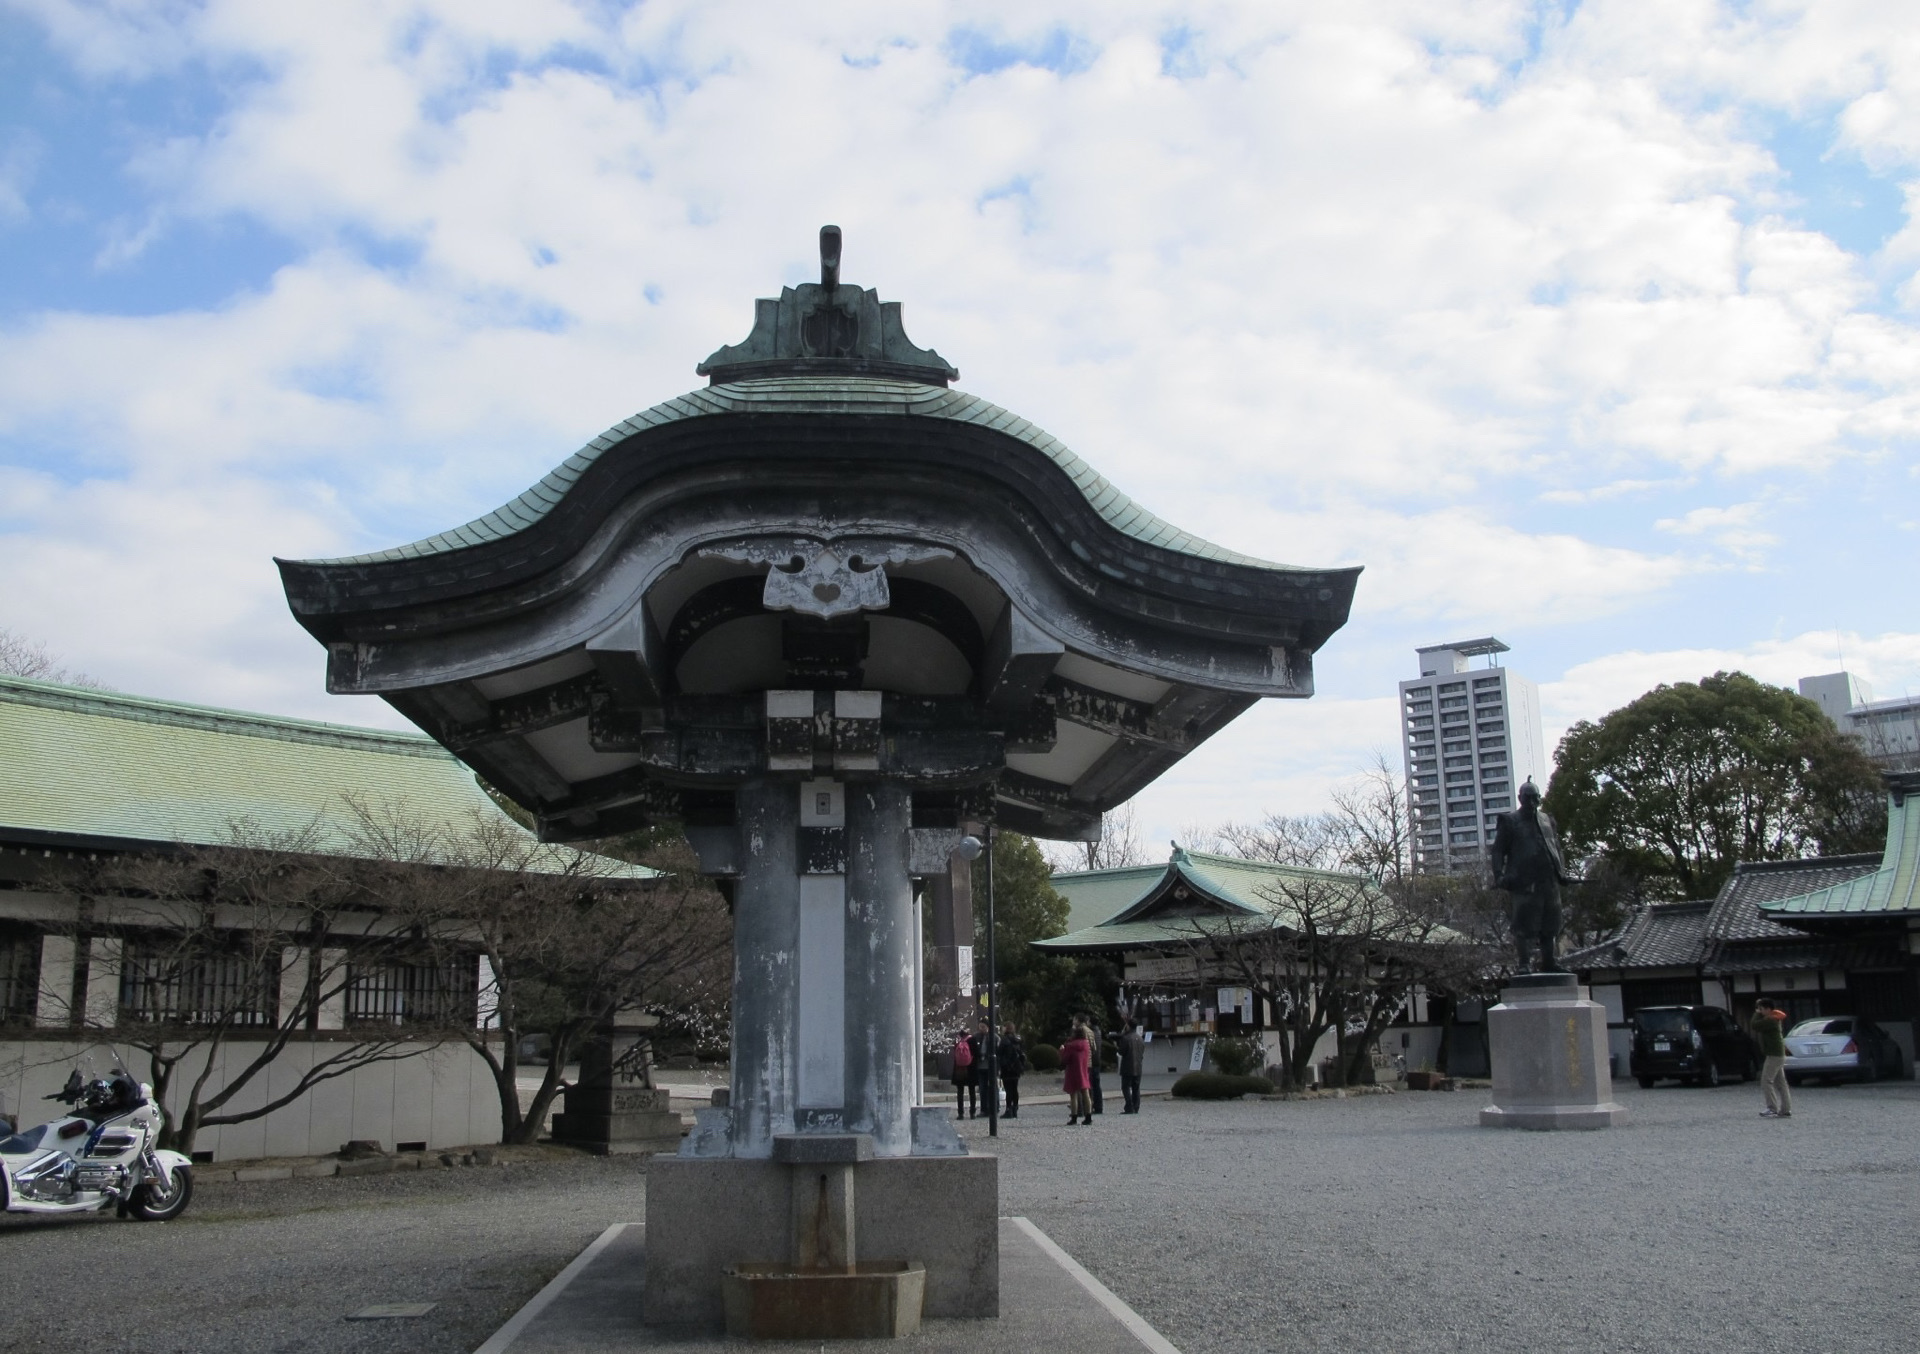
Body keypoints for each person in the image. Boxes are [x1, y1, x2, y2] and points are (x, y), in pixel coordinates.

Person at [1488, 779, 1575, 973]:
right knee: (1524, 924)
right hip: (1524, 881)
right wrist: (1498, 874)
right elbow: (1498, 851)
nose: (1531, 801)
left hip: (1549, 880)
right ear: (1520, 798)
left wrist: (1562, 872)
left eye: (1535, 797)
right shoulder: (1510, 821)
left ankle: (1549, 962)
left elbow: (1556, 848)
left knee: (1550, 924)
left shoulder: (1547, 820)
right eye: (1527, 797)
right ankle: (1524, 964)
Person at [1750, 1000, 1792, 1119]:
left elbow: (1754, 1025)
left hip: (1774, 1055)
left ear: (1768, 1009)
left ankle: (1772, 1108)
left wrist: (1756, 1013)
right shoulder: (1774, 1018)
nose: (1760, 1011)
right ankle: (1785, 1109)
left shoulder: (1771, 1020)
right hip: (1778, 1054)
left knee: (1766, 1081)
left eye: (1762, 1009)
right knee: (1781, 1083)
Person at [1061, 1023, 1094, 1125]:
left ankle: (1074, 1117)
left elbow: (1065, 1059)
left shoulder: (1070, 1046)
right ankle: (1088, 1116)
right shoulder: (1085, 1044)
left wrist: (1062, 1050)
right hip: (1083, 1070)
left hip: (1072, 1071)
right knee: (1086, 1094)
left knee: (1073, 1095)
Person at [998, 1022, 1027, 1119]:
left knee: (1008, 1089)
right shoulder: (1018, 1039)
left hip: (1007, 1068)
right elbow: (1023, 1053)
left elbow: (1000, 1054)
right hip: (1017, 1067)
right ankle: (1015, 1108)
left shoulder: (1004, 1040)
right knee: (1014, 1089)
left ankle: (1008, 1109)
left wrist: (1000, 1065)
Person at [1118, 1021, 1146, 1113]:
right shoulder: (1140, 1038)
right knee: (1136, 1087)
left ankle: (1129, 1106)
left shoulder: (1126, 1038)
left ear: (1128, 1026)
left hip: (1127, 1066)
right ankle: (1136, 1106)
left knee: (1125, 1087)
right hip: (1138, 1066)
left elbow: (1121, 1051)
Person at [950, 1028, 976, 1119]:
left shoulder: (957, 1040)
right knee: (971, 1091)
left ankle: (960, 1113)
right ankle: (972, 1112)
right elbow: (976, 1053)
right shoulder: (972, 1039)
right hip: (970, 1068)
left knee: (960, 1092)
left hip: (959, 1069)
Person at [1086, 1019, 1106, 1114]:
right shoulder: (1098, 1032)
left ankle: (1092, 1105)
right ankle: (1098, 1106)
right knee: (1096, 1085)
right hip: (1097, 1061)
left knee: (1092, 1085)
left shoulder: (1091, 1033)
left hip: (1092, 1061)